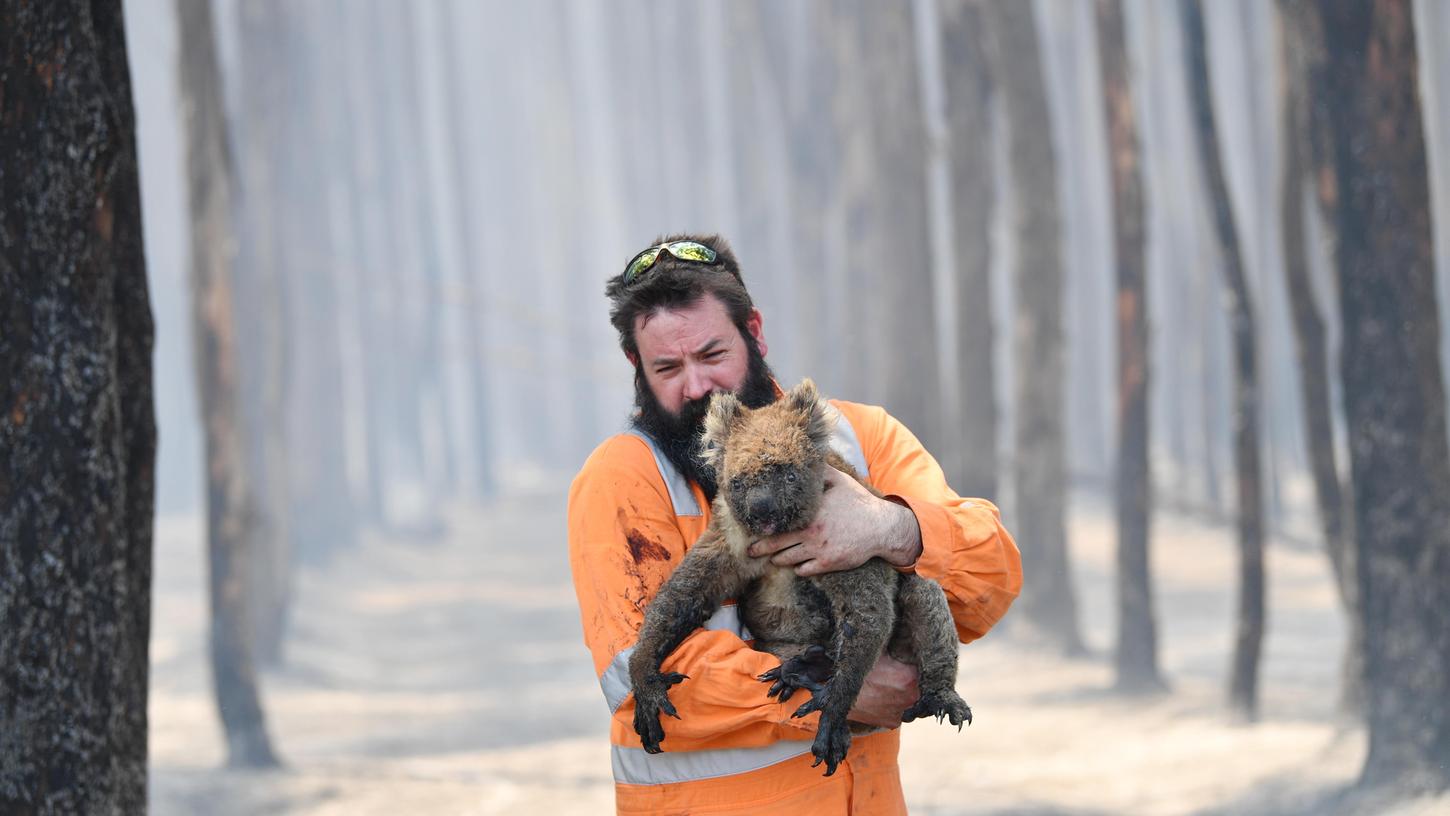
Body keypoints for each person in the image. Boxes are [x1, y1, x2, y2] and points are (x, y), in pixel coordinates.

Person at [567, 234, 1022, 814]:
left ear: (754, 332)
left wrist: (891, 528)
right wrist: (825, 691)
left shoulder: (858, 436)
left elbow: (992, 578)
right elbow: (633, 676)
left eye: (712, 355)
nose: (696, 386)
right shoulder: (623, 476)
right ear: (636, 365)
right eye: (666, 367)